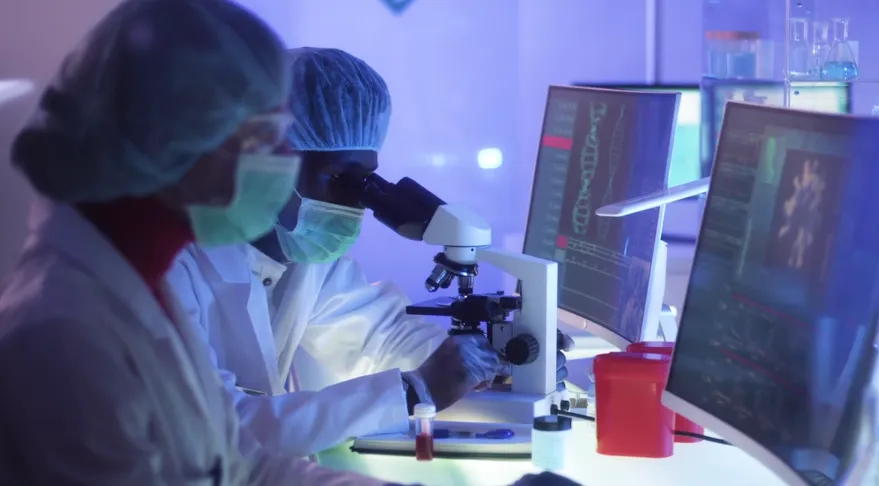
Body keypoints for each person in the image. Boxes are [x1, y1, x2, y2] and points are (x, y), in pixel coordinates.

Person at [0, 1, 417, 484]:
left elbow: (245, 466)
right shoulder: (64, 333)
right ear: (173, 139)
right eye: (264, 137)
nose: (282, 160)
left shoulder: (141, 286)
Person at [164, 46, 574, 457]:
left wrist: (493, 363)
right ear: (266, 163)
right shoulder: (168, 265)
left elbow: (379, 338)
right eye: (341, 178)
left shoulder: (300, 257)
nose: (357, 201)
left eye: (366, 180)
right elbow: (220, 429)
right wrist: (417, 390)